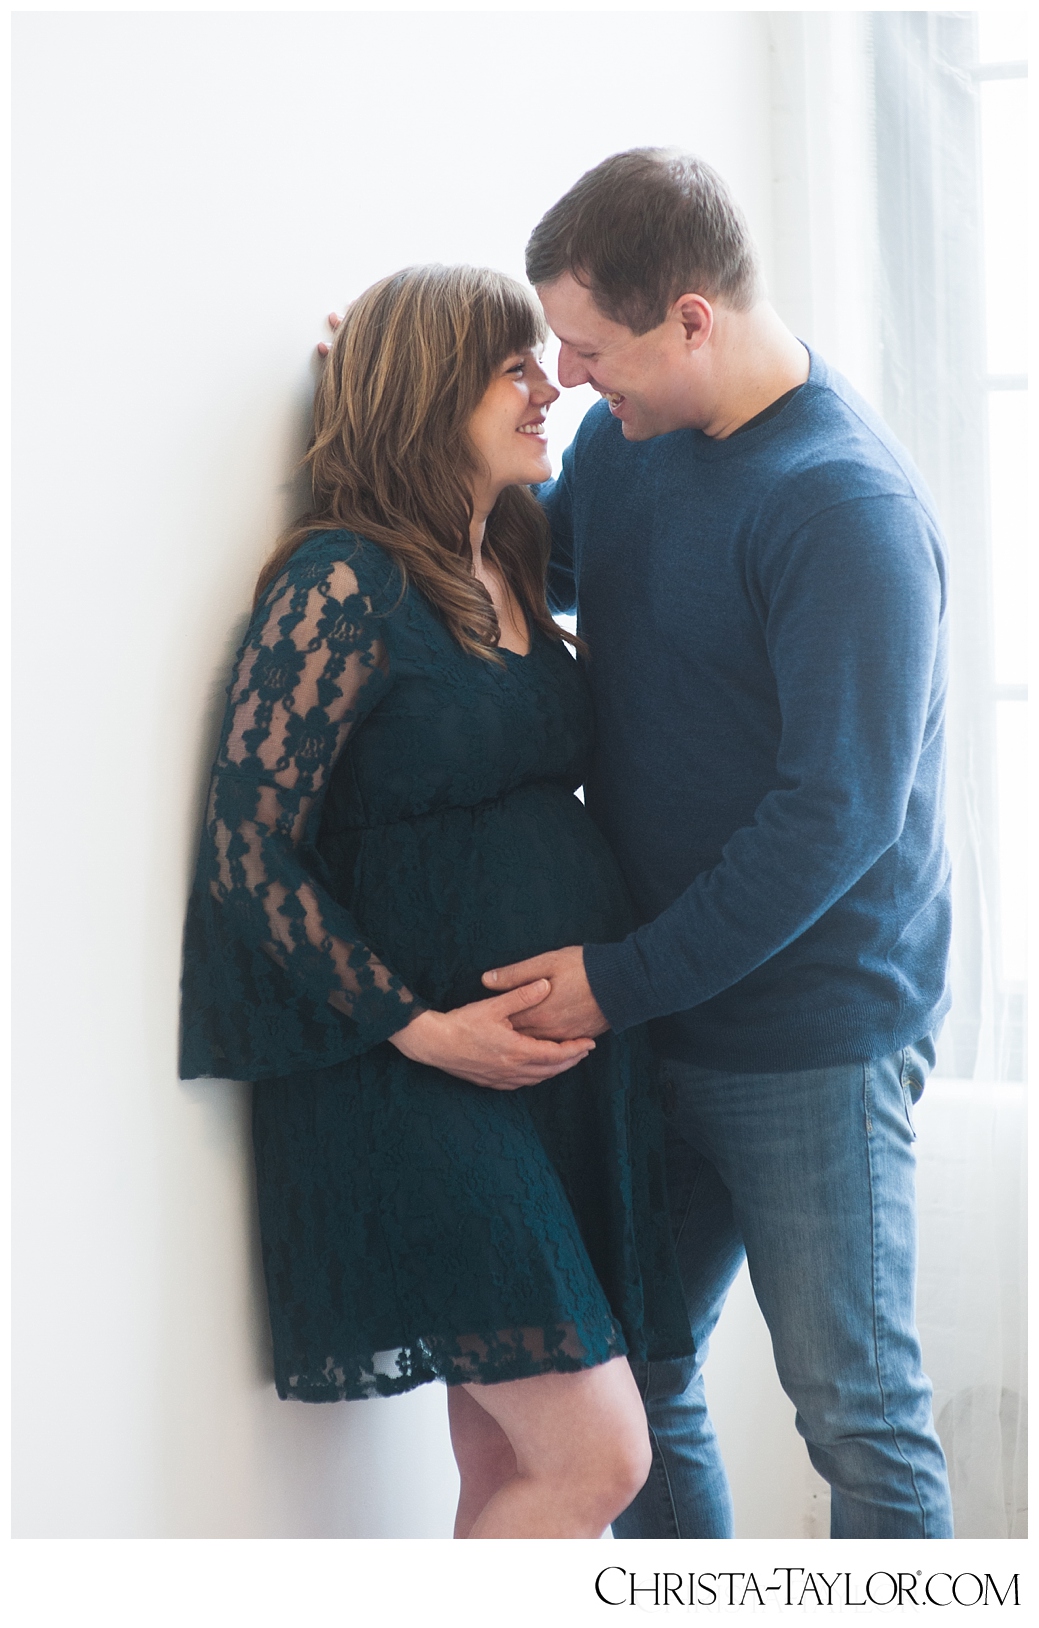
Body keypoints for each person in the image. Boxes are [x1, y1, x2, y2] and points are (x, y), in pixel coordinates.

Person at [481, 149, 955, 1538]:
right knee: (627, 1386)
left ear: (689, 318)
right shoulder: (632, 449)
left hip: (810, 1032)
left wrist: (617, 980)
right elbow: (529, 567)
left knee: (854, 1418)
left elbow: (833, 820)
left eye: (587, 346)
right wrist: (407, 408)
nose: (565, 376)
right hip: (660, 1010)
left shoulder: (839, 508)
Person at [179, 263, 693, 1539]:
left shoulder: (509, 556)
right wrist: (421, 1026)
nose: (550, 388)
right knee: (601, 1456)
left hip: (542, 1079)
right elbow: (247, 852)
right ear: (426, 391)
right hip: (406, 1075)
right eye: (511, 367)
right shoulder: (342, 584)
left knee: (503, 1463)